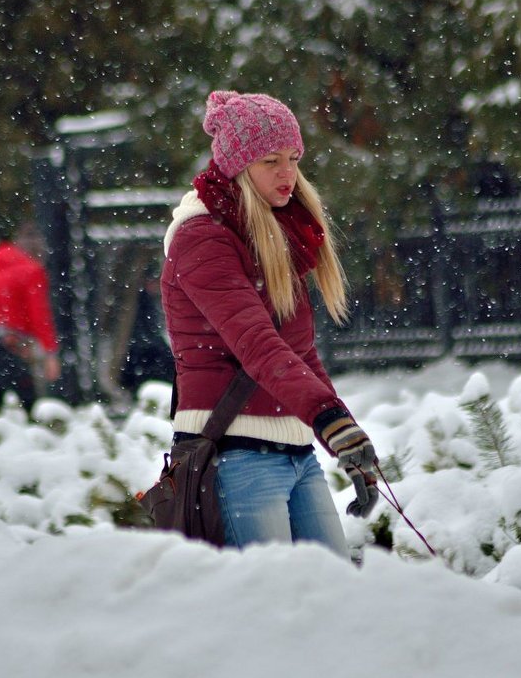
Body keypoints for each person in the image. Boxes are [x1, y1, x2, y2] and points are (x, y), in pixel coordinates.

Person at [160, 90, 379, 556]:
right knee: (271, 615)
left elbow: (300, 354)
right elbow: (258, 346)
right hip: (234, 455)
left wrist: (345, 438)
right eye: (270, 160)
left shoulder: (279, 234)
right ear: (238, 167)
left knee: (335, 600)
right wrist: (329, 417)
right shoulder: (203, 239)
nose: (288, 174)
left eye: (293, 158)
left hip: (297, 454)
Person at [0, 221, 61, 413]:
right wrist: (50, 352)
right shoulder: (31, 270)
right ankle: (36, 430)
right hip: (5, 337)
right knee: (28, 396)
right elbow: (39, 313)